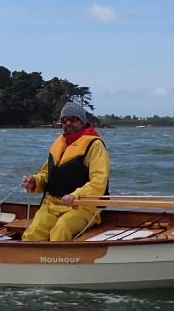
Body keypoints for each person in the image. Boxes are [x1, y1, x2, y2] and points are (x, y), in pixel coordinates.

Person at [20, 101, 110, 242]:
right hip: (51, 205)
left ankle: (58, 262)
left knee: (61, 229)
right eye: (64, 120)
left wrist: (76, 195)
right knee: (32, 233)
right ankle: (30, 262)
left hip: (82, 207)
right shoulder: (59, 144)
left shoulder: (95, 145)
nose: (68, 123)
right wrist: (35, 181)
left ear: (82, 121)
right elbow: (46, 175)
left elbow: (99, 181)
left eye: (73, 119)